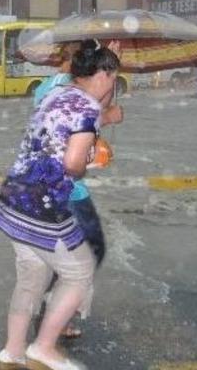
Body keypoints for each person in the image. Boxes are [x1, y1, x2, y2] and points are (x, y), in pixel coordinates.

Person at [0, 42, 122, 370]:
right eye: (113, 76)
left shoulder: (54, 94)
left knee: (31, 277)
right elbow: (73, 164)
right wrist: (86, 161)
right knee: (80, 271)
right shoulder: (86, 109)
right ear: (103, 74)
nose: (113, 83)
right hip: (44, 202)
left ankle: (13, 351)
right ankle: (44, 347)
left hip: (13, 197)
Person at [32, 42, 124, 339]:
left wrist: (109, 67)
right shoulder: (62, 88)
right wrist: (108, 116)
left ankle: (52, 316)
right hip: (66, 190)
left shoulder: (52, 85)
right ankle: (51, 320)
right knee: (87, 253)